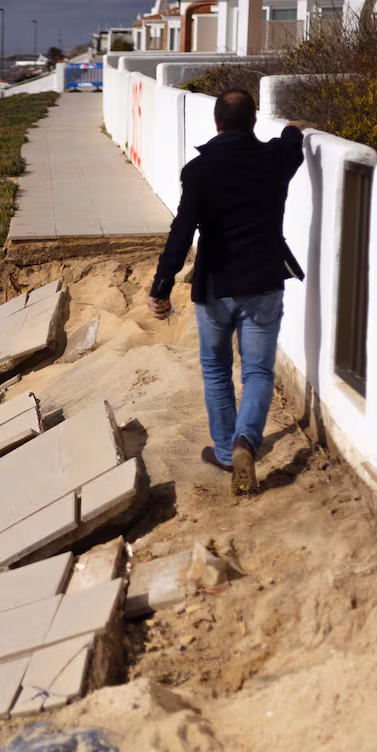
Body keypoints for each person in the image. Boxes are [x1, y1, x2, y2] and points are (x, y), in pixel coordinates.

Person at [147, 88, 308, 496]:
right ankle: (245, 442)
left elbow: (181, 233)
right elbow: (291, 143)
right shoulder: (274, 161)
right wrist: (294, 128)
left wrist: (161, 287)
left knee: (217, 370)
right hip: (263, 284)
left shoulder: (199, 171)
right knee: (257, 370)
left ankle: (224, 450)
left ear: (216, 123)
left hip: (215, 288)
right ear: (253, 122)